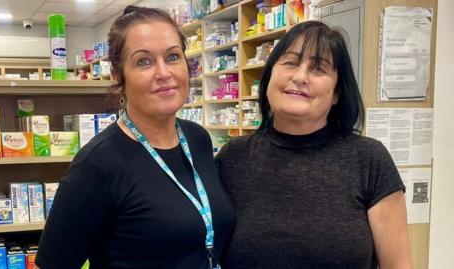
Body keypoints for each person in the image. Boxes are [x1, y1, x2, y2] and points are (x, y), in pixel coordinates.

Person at [36, 6, 235, 269]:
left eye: (173, 56)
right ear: (120, 75)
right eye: (144, 61)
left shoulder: (197, 138)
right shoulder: (98, 163)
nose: (164, 73)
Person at [216, 21, 412, 269]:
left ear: (337, 92)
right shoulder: (233, 158)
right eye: (290, 62)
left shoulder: (369, 159)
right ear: (269, 76)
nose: (300, 77)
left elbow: (398, 264)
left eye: (319, 68)